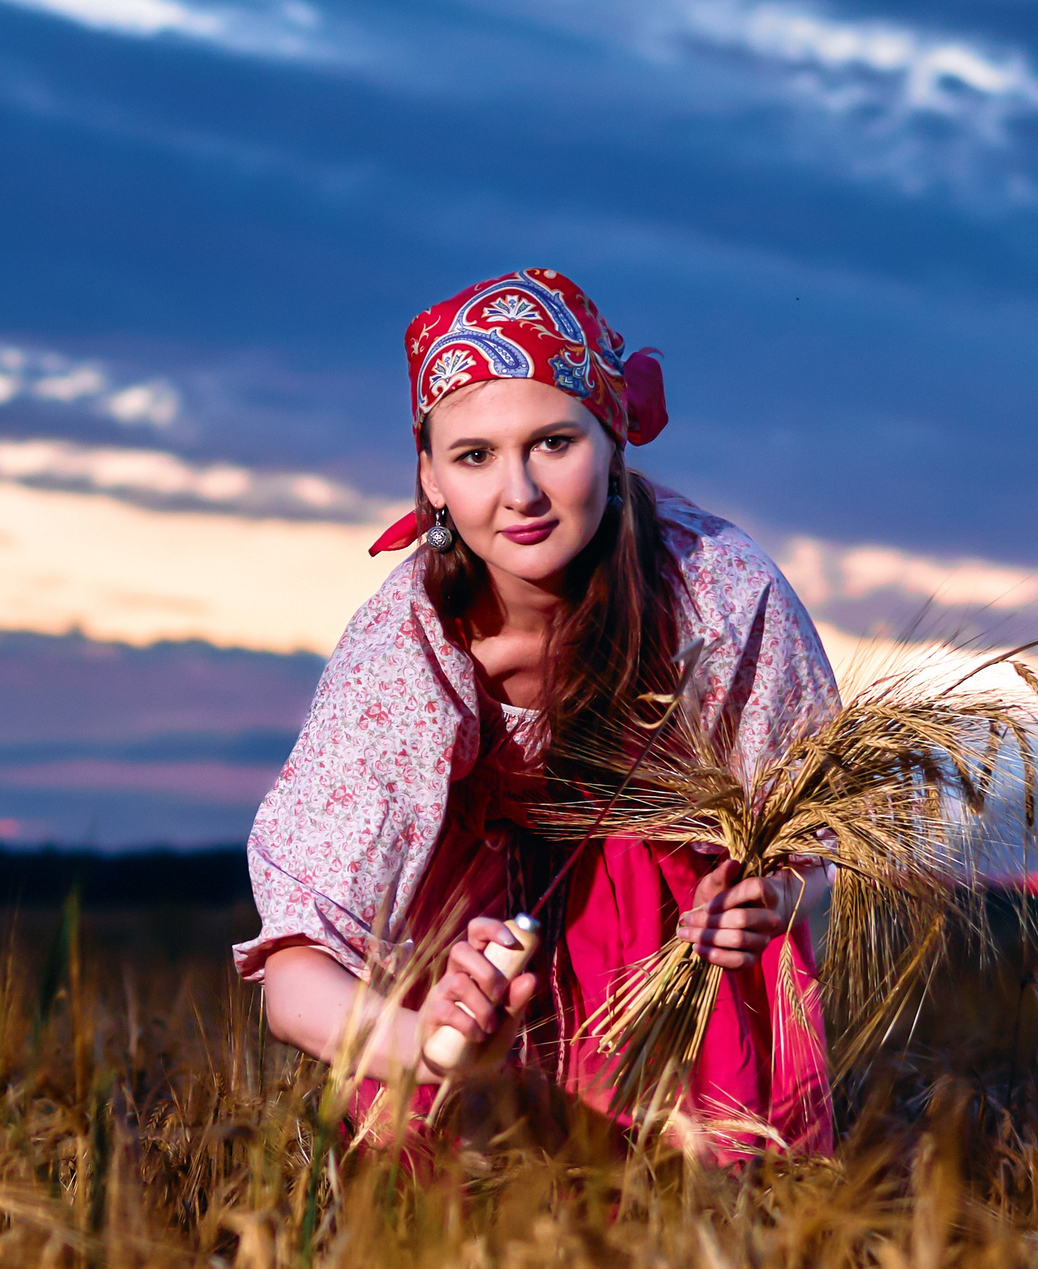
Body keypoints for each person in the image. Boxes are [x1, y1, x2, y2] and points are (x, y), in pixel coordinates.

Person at [234, 268, 840, 1155]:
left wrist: (771, 898)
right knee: (468, 1225)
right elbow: (294, 974)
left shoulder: (719, 589)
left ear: (615, 438)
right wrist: (431, 1046)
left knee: (696, 1217)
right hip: (465, 927)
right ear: (430, 479)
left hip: (677, 941)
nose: (518, 492)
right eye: (474, 456)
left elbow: (822, 845)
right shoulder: (408, 643)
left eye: (553, 442)